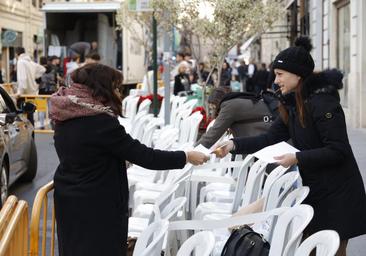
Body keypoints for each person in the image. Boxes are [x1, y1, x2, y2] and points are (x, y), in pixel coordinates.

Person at [212, 37, 366, 256]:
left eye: (280, 74)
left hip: (338, 194)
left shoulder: (324, 103)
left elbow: (338, 150)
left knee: (332, 251)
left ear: (297, 75)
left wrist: (297, 159)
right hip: (315, 190)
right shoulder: (293, 104)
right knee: (310, 249)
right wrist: (232, 145)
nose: (276, 81)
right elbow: (267, 138)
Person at [49, 63, 209, 256]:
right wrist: (185, 156)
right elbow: (145, 156)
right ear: (101, 88)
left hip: (69, 199)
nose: (119, 93)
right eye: (116, 87)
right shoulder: (100, 122)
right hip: (98, 206)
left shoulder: (65, 114)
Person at [196, 87, 277, 149]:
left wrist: (189, 153)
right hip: (269, 132)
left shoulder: (229, 106)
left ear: (217, 102)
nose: (213, 112)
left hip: (267, 140)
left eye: (213, 108)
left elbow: (212, 135)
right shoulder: (236, 99)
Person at [15, 47, 46, 125]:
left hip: (24, 93)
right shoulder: (30, 62)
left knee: (22, 116)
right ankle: (32, 136)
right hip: (32, 93)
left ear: (16, 54)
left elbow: (23, 78)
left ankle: (26, 136)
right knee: (30, 115)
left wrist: (19, 92)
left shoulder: (21, 62)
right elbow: (42, 69)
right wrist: (33, 77)